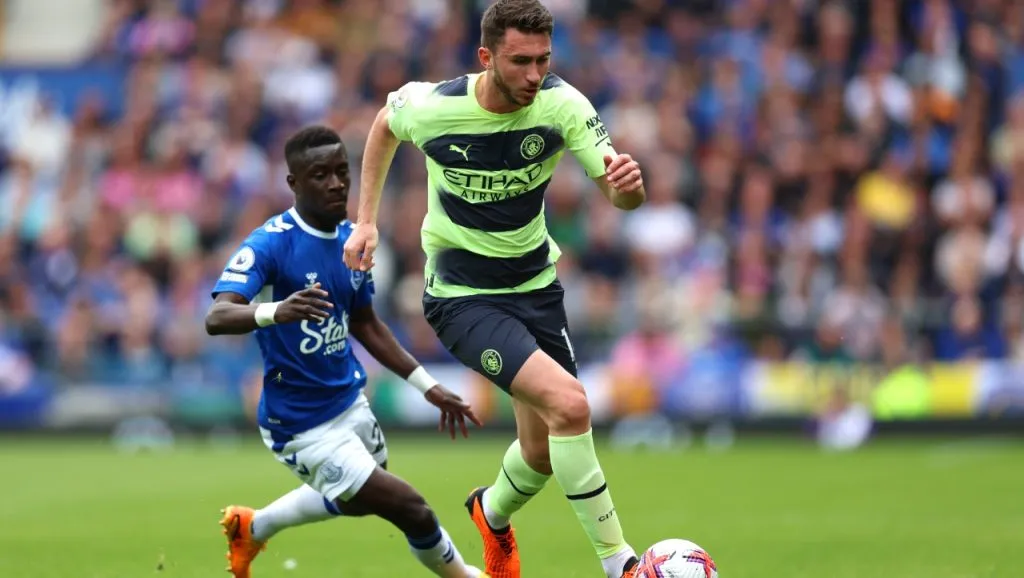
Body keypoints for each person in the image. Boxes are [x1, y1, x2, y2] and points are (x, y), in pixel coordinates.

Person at [342, 1, 647, 577]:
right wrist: (367, 220)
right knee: (571, 405)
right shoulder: (436, 107)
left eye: (544, 59)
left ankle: (490, 513)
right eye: (520, 61)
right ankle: (620, 563)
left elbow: (619, 193)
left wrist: (628, 188)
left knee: (540, 455)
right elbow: (385, 124)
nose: (535, 74)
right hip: (463, 298)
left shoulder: (563, 106)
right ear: (486, 58)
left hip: (536, 288)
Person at [205, 125, 486, 578]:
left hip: (348, 400)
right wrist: (276, 310)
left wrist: (428, 386)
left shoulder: (352, 239)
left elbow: (365, 322)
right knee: (409, 507)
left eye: (341, 171)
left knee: (357, 502)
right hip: (299, 423)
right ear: (294, 183)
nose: (336, 183)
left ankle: (253, 526)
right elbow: (217, 317)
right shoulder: (270, 243)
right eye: (320, 175)